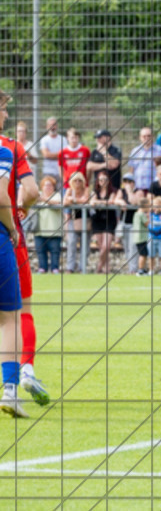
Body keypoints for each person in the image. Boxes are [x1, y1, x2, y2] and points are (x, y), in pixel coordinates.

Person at [0, 94, 44, 408]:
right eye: (3, 109)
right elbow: (31, 191)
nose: (6, 114)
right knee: (19, 311)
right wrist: (21, 210)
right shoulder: (11, 148)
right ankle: (24, 370)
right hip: (8, 236)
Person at [0, 140, 28, 417]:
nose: (5, 119)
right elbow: (1, 197)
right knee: (9, 318)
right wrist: (11, 228)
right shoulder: (2, 152)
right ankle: (10, 390)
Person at [88, 171, 118, 274]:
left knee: (106, 246)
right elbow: (92, 202)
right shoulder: (94, 192)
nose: (103, 182)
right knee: (102, 247)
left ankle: (99, 267)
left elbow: (111, 201)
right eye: (101, 180)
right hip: (97, 220)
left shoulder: (112, 192)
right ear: (98, 181)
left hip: (109, 220)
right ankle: (106, 268)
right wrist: (104, 203)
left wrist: (99, 202)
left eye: (105, 179)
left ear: (108, 181)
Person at [127, 127, 161, 193]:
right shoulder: (135, 151)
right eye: (144, 136)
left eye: (149, 136)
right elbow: (131, 170)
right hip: (138, 189)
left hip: (155, 189)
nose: (147, 138)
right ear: (140, 137)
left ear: (152, 137)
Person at [34, 176, 63, 274]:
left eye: (50, 185)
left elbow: (57, 202)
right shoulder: (37, 196)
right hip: (39, 230)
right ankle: (42, 268)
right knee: (40, 251)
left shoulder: (56, 195)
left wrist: (43, 199)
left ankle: (55, 268)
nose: (48, 187)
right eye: (46, 185)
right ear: (42, 187)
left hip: (54, 230)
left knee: (55, 251)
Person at [62, 172, 90, 273]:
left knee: (85, 245)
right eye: (75, 180)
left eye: (80, 180)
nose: (77, 182)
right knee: (71, 243)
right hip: (73, 220)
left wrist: (73, 200)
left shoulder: (86, 190)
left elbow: (85, 200)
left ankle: (82, 267)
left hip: (85, 220)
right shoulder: (69, 190)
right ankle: (70, 267)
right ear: (71, 182)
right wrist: (76, 200)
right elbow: (65, 202)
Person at [114, 175, 139, 274]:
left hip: (134, 224)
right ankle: (130, 268)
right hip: (124, 223)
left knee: (133, 247)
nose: (127, 184)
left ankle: (133, 269)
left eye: (129, 182)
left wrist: (129, 191)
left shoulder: (138, 191)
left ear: (133, 183)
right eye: (125, 182)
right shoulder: (121, 191)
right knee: (126, 247)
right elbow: (116, 200)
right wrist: (121, 202)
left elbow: (134, 202)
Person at [37, 117, 66, 182]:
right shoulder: (44, 140)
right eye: (50, 125)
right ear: (47, 127)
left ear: (57, 126)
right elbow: (46, 154)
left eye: (54, 125)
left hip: (61, 172)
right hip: (48, 172)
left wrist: (51, 155)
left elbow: (65, 154)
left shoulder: (63, 139)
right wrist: (59, 155)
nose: (52, 127)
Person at [132, 198, 152, 276]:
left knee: (143, 254)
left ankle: (142, 269)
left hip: (137, 237)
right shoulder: (141, 215)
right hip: (141, 238)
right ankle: (140, 270)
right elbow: (147, 224)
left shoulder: (136, 214)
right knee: (143, 254)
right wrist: (149, 216)